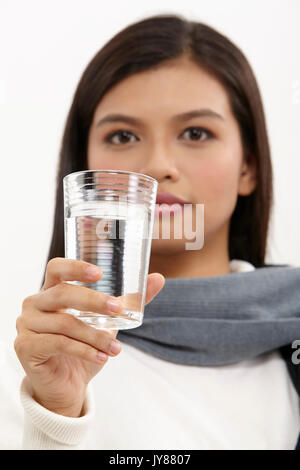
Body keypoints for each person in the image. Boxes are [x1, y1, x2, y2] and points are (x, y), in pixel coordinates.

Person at [1, 13, 300, 450]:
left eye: (196, 132)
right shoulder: (32, 358)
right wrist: (55, 418)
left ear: (248, 168)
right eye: (123, 136)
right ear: (85, 169)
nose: (158, 165)